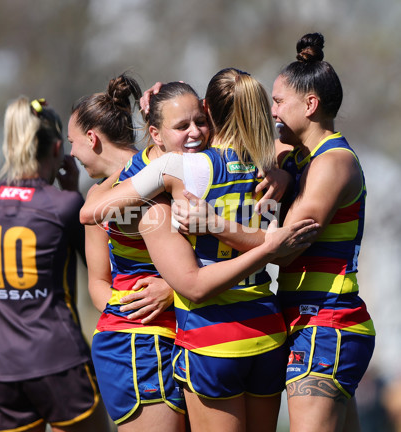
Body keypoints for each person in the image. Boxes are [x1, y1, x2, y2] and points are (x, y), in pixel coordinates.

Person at [81, 68, 319, 432]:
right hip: (267, 331)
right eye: (182, 126)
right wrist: (278, 208)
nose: (193, 132)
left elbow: (92, 213)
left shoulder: (175, 167)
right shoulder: (268, 168)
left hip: (212, 337)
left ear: (209, 111)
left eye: (198, 122)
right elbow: (291, 153)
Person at [0, 96, 109, 432]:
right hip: (60, 361)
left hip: (1, 371)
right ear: (57, 149)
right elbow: (99, 267)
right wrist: (74, 197)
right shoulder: (64, 206)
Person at [69, 79, 210, 431]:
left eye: (73, 142)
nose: (71, 154)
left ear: (92, 138)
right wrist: (134, 308)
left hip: (191, 334)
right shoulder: (100, 198)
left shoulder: (168, 167)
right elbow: (99, 282)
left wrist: (173, 289)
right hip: (139, 344)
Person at [270, 33, 376, 432]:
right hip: (311, 321)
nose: (273, 110)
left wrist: (211, 228)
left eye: (279, 101)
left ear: (310, 105)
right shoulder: (300, 156)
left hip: (326, 323)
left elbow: (285, 249)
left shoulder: (332, 162)